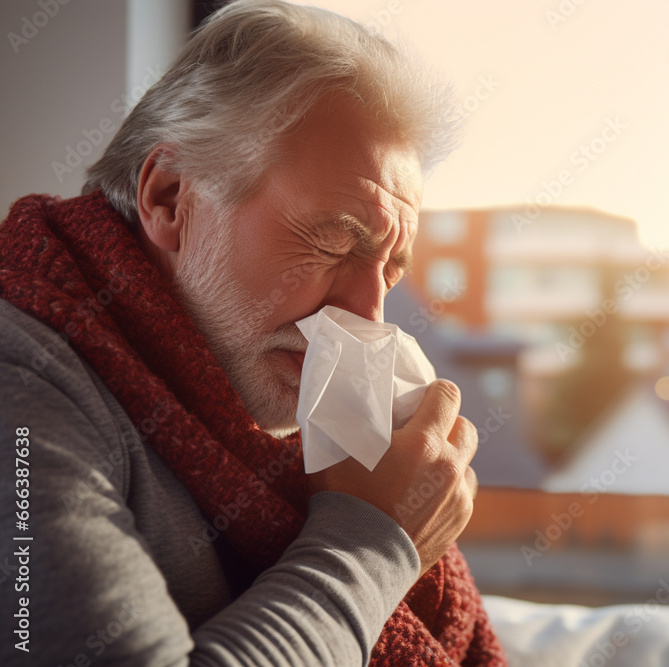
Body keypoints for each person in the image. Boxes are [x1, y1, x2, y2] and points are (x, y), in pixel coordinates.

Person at [0, 1, 505, 664]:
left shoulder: (259, 438)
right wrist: (371, 542)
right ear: (168, 197)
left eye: (391, 268)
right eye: (331, 242)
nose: (369, 315)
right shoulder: (22, 381)